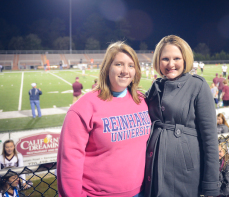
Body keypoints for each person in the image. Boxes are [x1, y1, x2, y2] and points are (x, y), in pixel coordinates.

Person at [57, 41, 150, 197]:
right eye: (119, 64)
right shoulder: (83, 108)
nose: (125, 71)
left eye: (131, 65)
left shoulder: (142, 101)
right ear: (107, 68)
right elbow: (69, 161)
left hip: (140, 192)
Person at [144, 35, 219, 197]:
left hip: (183, 174)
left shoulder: (198, 86)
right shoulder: (155, 87)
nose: (171, 64)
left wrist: (211, 185)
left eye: (176, 58)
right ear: (158, 61)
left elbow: (210, 140)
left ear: (185, 59)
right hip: (154, 167)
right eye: (165, 59)